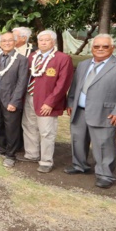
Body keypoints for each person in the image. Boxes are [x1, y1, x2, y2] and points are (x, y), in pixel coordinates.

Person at [65, 34, 116, 188]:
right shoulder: (84, 64)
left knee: (103, 144)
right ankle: (79, 165)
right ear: (91, 48)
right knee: (78, 139)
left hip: (105, 112)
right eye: (96, 46)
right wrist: (71, 101)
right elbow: (75, 85)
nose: (100, 49)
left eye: (105, 46)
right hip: (79, 110)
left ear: (113, 48)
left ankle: (105, 174)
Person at [18, 30, 73, 173]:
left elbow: (63, 84)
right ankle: (32, 154)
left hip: (46, 100)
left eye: (46, 40)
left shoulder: (62, 58)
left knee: (46, 131)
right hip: (29, 97)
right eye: (40, 40)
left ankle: (46, 161)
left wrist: (51, 102)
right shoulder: (33, 56)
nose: (43, 42)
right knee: (29, 126)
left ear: (53, 42)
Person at [0, 32, 28, 168]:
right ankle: (0, 148)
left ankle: (10, 155)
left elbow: (22, 83)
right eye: (3, 41)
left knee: (11, 127)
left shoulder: (21, 59)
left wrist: (14, 102)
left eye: (10, 40)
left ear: (15, 42)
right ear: (0, 43)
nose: (6, 43)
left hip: (10, 98)